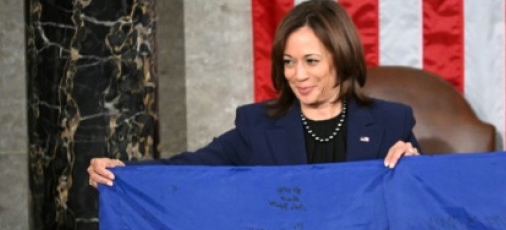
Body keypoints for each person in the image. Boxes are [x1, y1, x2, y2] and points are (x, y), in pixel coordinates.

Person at [87, 0, 419, 188]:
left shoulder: (392, 122)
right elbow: (190, 168)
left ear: (342, 58)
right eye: (288, 62)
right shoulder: (256, 125)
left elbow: (427, 203)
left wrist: (416, 169)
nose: (298, 75)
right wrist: (124, 172)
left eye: (311, 61)